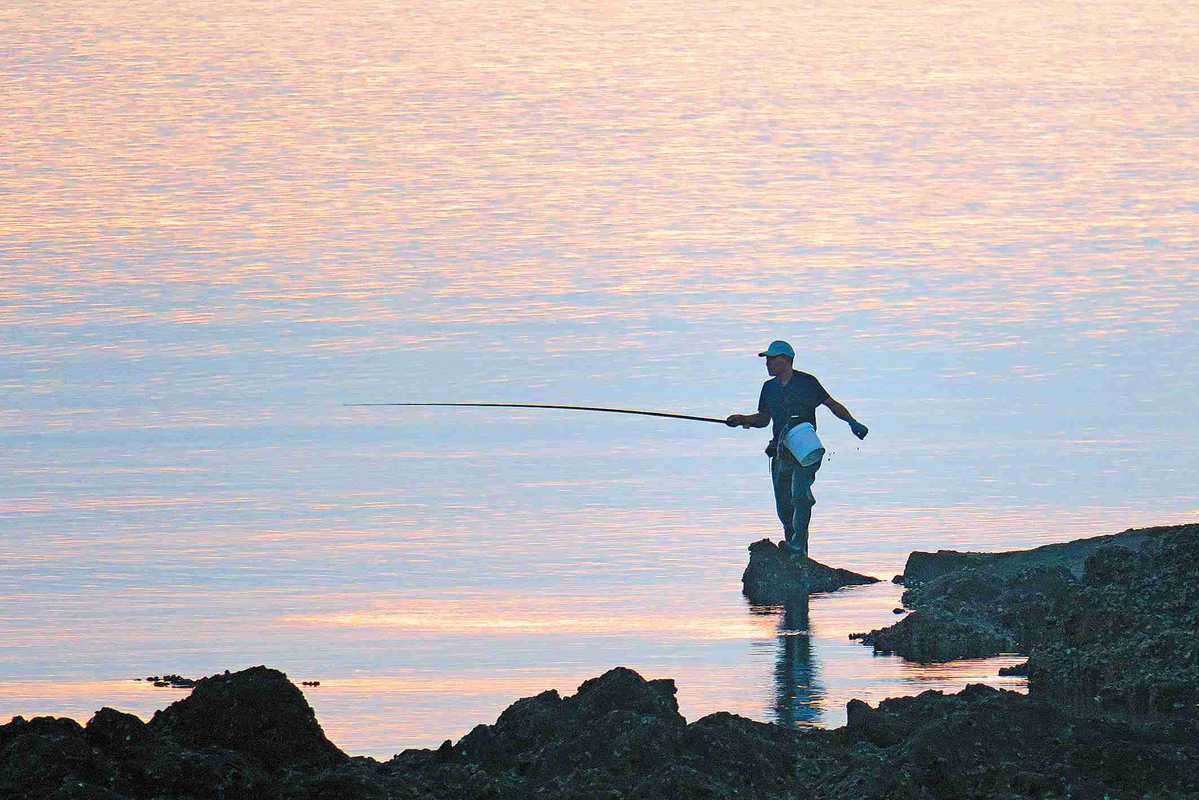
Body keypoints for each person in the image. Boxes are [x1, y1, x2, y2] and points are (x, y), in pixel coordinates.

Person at [726, 340, 868, 559]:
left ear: (787, 360)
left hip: (805, 449)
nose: (768, 363)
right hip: (780, 453)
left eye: (773, 359)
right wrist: (742, 419)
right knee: (784, 506)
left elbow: (832, 405)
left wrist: (852, 422)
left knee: (800, 497)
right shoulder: (769, 388)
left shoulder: (807, 382)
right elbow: (764, 419)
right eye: (767, 359)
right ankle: (794, 548)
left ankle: (799, 547)